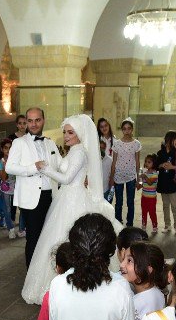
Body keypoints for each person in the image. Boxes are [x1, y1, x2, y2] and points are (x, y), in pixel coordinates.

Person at [20, 114, 122, 305]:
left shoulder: (79, 152)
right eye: (65, 132)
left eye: (70, 132)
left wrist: (44, 169)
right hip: (67, 197)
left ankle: (71, 281)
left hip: (73, 197)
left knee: (66, 238)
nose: (66, 136)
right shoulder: (74, 150)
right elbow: (63, 166)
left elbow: (66, 178)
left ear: (79, 134)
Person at [7, 107, 62, 267]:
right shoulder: (19, 143)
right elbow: (9, 167)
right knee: (33, 237)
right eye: (30, 121)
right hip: (31, 199)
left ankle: (44, 271)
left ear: (43, 120)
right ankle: (31, 275)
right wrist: (33, 167)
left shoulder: (50, 143)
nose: (33, 124)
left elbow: (61, 165)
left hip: (50, 196)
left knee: (49, 236)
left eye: (37, 120)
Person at [108, 118, 141, 227]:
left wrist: (138, 178)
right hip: (118, 175)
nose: (127, 131)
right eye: (124, 129)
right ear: (122, 130)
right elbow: (114, 161)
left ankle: (130, 223)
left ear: (132, 130)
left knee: (130, 201)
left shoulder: (136, 144)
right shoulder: (117, 144)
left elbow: (137, 161)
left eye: (129, 129)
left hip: (131, 176)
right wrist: (111, 178)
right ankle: (118, 222)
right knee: (119, 202)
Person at [155, 131, 176, 234]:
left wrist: (172, 167)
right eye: (175, 138)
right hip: (163, 182)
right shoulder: (161, 152)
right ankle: (167, 225)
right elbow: (155, 165)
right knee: (165, 205)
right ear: (169, 139)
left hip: (173, 183)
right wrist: (161, 165)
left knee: (175, 206)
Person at [139, 155, 160, 233]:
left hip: (151, 198)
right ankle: (143, 225)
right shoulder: (145, 172)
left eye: (149, 162)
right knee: (144, 211)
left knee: (152, 212)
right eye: (146, 162)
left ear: (154, 164)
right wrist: (138, 184)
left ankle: (155, 226)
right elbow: (143, 184)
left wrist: (144, 177)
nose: (146, 163)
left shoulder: (155, 174)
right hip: (144, 197)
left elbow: (150, 183)